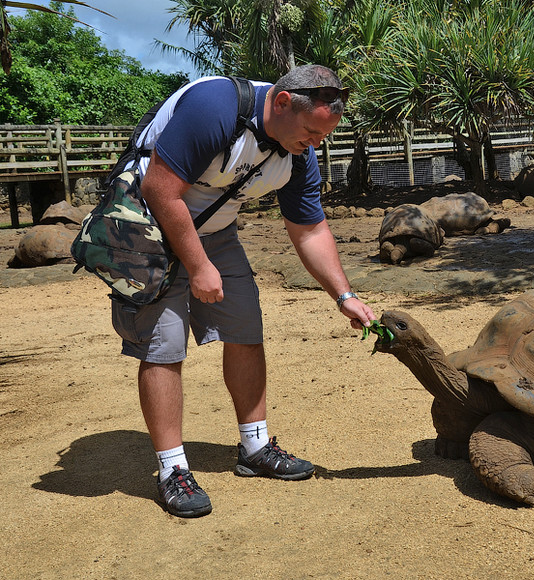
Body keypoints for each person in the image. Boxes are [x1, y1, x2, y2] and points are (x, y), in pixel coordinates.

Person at [111, 64, 375, 518]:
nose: (315, 144)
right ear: (282, 102)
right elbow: (159, 189)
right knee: (163, 345)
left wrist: (343, 295)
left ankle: (255, 448)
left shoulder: (298, 155)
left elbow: (310, 229)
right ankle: (172, 470)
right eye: (312, 131)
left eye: (323, 137)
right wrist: (197, 267)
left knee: (246, 329)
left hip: (216, 231)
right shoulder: (216, 107)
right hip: (147, 226)